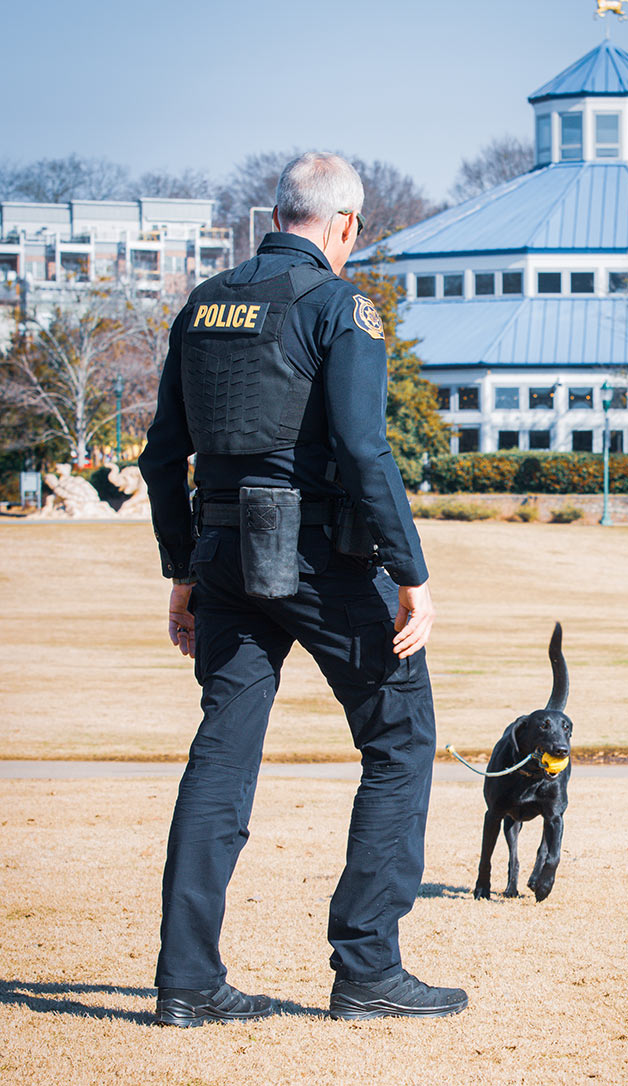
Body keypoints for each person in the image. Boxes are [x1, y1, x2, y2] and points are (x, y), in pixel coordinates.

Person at [139, 152, 467, 1026]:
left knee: (221, 757)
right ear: (346, 224)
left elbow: (161, 457)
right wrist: (412, 574)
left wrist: (182, 572)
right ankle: (368, 968)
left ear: (277, 212)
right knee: (400, 738)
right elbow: (363, 449)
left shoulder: (203, 304)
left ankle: (187, 983)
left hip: (221, 555)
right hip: (320, 558)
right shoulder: (337, 305)